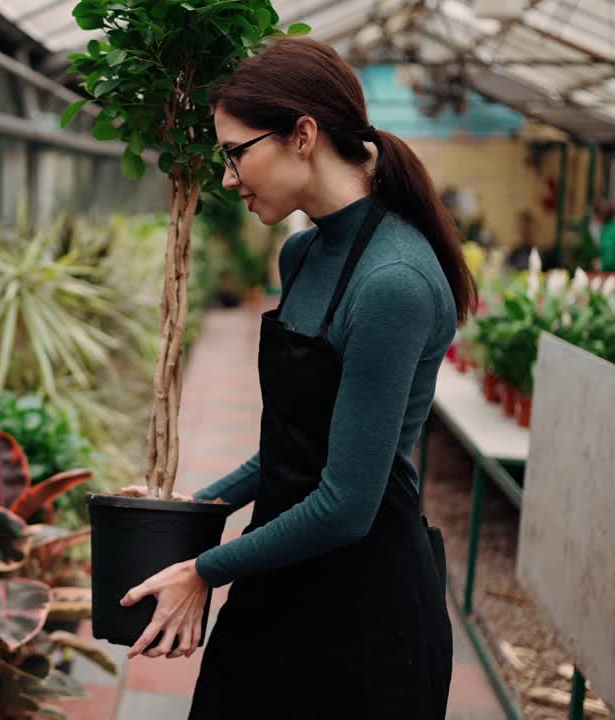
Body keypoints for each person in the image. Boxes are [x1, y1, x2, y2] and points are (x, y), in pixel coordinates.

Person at [118, 38, 467, 719]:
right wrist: (199, 512)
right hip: (279, 572)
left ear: (302, 135)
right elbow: (293, 448)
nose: (226, 178)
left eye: (235, 152)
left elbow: (344, 502)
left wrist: (203, 570)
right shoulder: (303, 253)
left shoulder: (393, 281)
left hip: (363, 613)